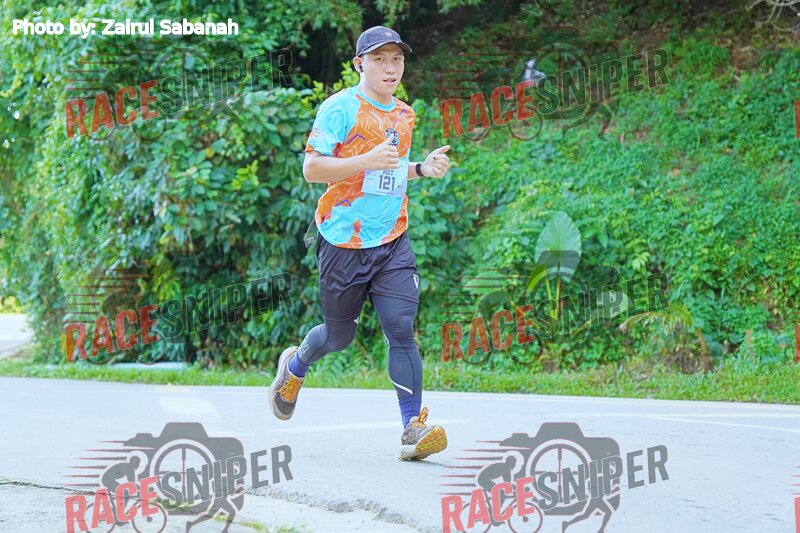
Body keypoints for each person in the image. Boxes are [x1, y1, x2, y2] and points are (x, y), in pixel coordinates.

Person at [268, 26, 451, 461]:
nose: (390, 68)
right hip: (342, 241)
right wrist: (364, 159)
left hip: (391, 239)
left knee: (400, 328)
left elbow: (388, 171)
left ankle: (412, 428)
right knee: (339, 336)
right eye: (379, 59)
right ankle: (294, 366)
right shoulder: (340, 108)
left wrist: (420, 169)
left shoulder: (404, 114)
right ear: (359, 64)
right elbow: (312, 169)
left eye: (397, 59)